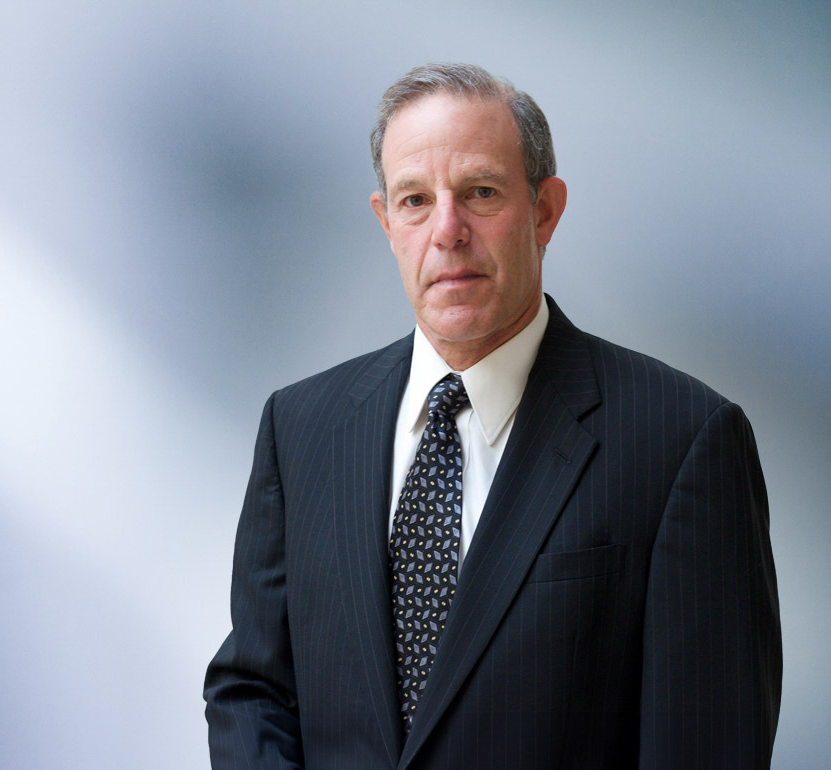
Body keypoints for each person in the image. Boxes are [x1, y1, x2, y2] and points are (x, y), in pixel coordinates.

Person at [203, 63, 782, 768]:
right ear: (388, 223)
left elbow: (706, 749)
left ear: (545, 210)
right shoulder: (301, 429)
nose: (447, 231)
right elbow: (254, 688)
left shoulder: (682, 442)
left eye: (480, 193)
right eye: (415, 200)